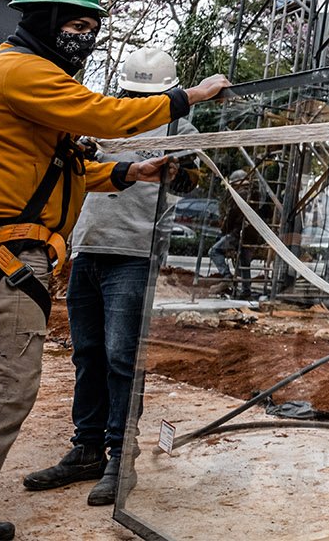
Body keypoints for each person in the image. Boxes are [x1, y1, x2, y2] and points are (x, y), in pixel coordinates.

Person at [0, 0, 230, 541]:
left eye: (91, 27)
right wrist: (188, 95)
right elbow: (101, 116)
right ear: (41, 21)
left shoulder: (8, 73)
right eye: (74, 24)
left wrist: (124, 171)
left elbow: (58, 168)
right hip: (7, 256)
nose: (84, 37)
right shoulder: (24, 71)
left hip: (2, 254)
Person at [21, 48, 202, 507]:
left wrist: (176, 171)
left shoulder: (181, 128)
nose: (136, 98)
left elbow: (192, 183)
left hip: (135, 254)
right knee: (87, 354)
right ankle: (86, 448)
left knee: (122, 357)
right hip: (89, 248)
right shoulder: (107, 119)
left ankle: (120, 457)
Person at [209, 169, 264, 299]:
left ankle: (227, 276)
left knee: (214, 251)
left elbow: (232, 216)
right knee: (244, 262)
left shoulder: (239, 195)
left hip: (238, 233)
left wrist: (224, 230)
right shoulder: (256, 194)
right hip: (252, 234)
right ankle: (246, 291)